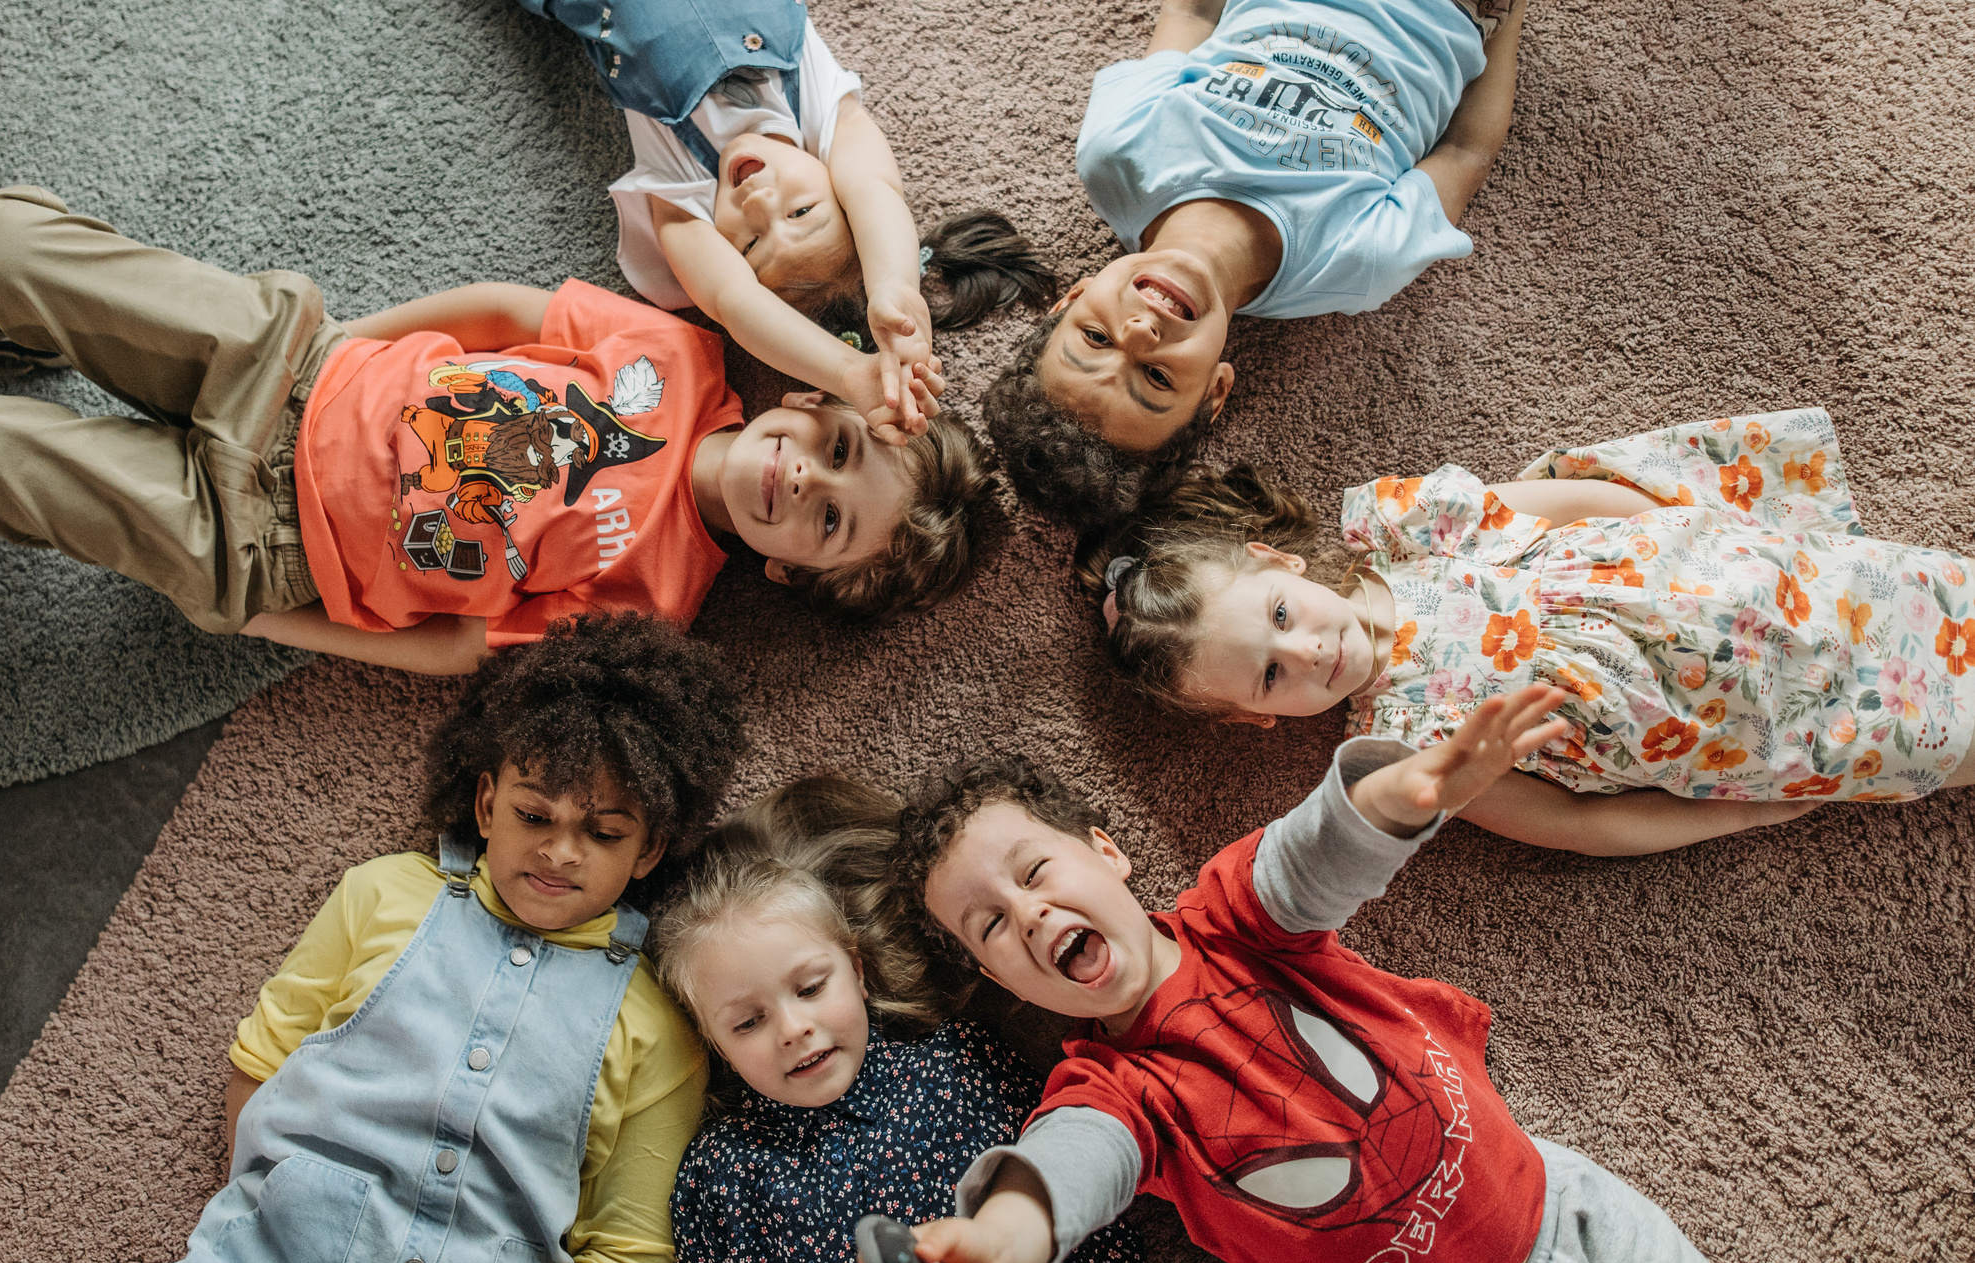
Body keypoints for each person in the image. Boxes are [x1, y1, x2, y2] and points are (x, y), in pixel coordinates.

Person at [886, 695, 1757, 1263]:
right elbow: (1071, 1165)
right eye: (991, 925)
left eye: (1035, 873)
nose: (1029, 913)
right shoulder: (1109, 1092)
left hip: (1570, 1214)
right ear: (1000, 980)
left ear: (1106, 852)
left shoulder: (1234, 916)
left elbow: (1311, 856)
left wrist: (1414, 790)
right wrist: (1003, 1243)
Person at [0, 185, 992, 676]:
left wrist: (257, 615)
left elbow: (460, 648)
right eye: (838, 453)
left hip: (263, 547)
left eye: (826, 525)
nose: (804, 483)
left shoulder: (653, 606)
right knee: (23, 246)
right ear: (811, 401)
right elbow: (508, 315)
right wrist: (343, 342)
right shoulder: (679, 362)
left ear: (788, 573)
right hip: (287, 369)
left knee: (19, 465)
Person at [122, 610, 748, 1263]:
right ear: (486, 805)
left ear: (649, 851)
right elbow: (261, 1059)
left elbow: (634, 1259)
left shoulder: (658, 1025)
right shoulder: (381, 893)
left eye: (602, 833)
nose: (560, 852)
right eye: (534, 816)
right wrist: (273, 1205)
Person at [1078, 407, 1975, 853]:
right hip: (1743, 732)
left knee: (1933, 599)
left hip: (1751, 580)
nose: (1308, 651)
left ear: (1282, 565)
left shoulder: (1413, 529)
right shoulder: (1405, 752)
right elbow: (1582, 824)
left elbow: (1580, 510)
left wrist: (1700, 539)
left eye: (1281, 619)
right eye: (1271, 676)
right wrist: (1747, 809)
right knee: (1939, 736)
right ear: (1253, 719)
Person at [983, 0, 1526, 527]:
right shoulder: (1356, 264)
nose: (1142, 330)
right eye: (1154, 376)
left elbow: (1192, 13)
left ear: (1071, 297)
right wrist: (1510, 18)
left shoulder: (1116, 151)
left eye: (1096, 339)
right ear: (1215, 392)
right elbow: (1464, 153)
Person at [649, 777, 1147, 1263]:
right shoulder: (718, 1173)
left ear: (857, 970)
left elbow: (1079, 1226)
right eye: (747, 1023)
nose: (793, 1029)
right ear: (714, 1043)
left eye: (812, 988)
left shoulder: (959, 1063)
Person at [519, 0, 1055, 440]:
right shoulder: (821, 115)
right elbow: (875, 186)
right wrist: (896, 289)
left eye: (750, 245)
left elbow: (734, 302)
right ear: (834, 183)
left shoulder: (683, 182)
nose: (757, 204)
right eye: (802, 212)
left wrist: (848, 373)